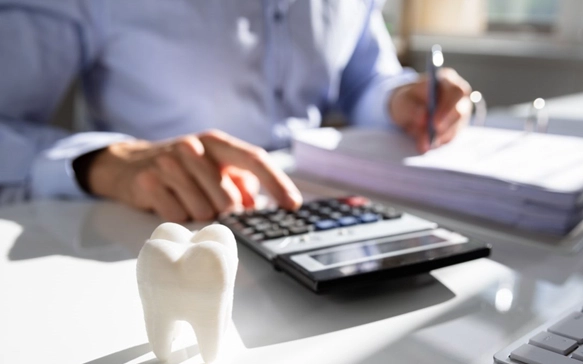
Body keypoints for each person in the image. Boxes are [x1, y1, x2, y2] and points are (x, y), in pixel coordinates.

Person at [0, 0, 472, 222]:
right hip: (154, 227)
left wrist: (399, 101)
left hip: (318, 214)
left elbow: (363, 81)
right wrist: (101, 162)